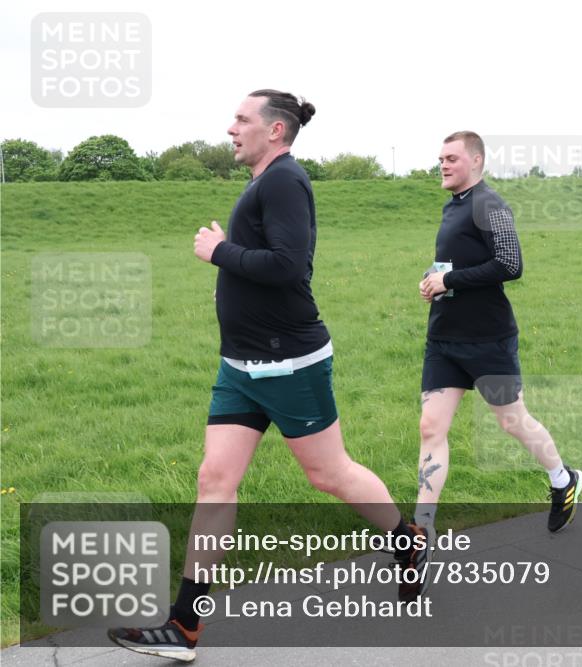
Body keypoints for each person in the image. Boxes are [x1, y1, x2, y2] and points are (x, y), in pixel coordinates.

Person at [108, 89, 427, 663]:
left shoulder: (284, 181)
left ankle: (407, 542)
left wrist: (219, 253)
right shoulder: (261, 182)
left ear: (275, 131)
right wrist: (230, 273)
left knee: (329, 475)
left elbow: (289, 265)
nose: (231, 128)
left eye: (241, 119)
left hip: (288, 364)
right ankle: (184, 627)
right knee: (215, 481)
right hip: (240, 367)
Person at [414, 131, 582, 570]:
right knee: (431, 427)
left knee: (512, 422)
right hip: (445, 339)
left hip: (488, 341)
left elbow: (510, 263)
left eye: (451, 158)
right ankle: (421, 531)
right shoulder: (453, 206)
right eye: (440, 158)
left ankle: (563, 479)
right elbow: (460, 263)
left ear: (476, 160)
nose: (443, 165)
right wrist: (434, 279)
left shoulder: (489, 203)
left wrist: (449, 281)